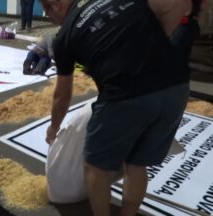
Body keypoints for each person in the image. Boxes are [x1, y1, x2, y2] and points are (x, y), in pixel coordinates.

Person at [41, 0, 199, 215]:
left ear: (57, 5)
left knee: (96, 166)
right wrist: (159, 39)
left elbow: (62, 96)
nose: (47, 16)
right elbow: (179, 3)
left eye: (47, 10)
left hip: (126, 95)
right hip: (176, 88)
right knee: (136, 165)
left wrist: (53, 128)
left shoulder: (65, 36)